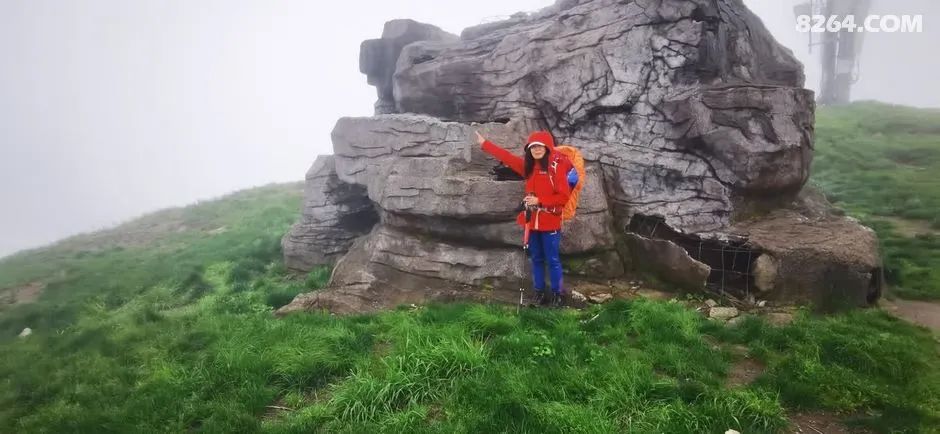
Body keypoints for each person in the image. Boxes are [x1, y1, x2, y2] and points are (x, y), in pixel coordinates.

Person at [475, 130, 573, 307]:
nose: (536, 149)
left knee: (552, 259)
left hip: (550, 222)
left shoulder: (555, 169)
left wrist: (539, 200)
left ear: (547, 148)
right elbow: (507, 157)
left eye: (540, 146)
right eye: (533, 146)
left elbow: (563, 197)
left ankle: (558, 295)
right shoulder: (528, 167)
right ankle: (539, 293)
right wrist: (485, 144)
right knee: (536, 258)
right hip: (531, 222)